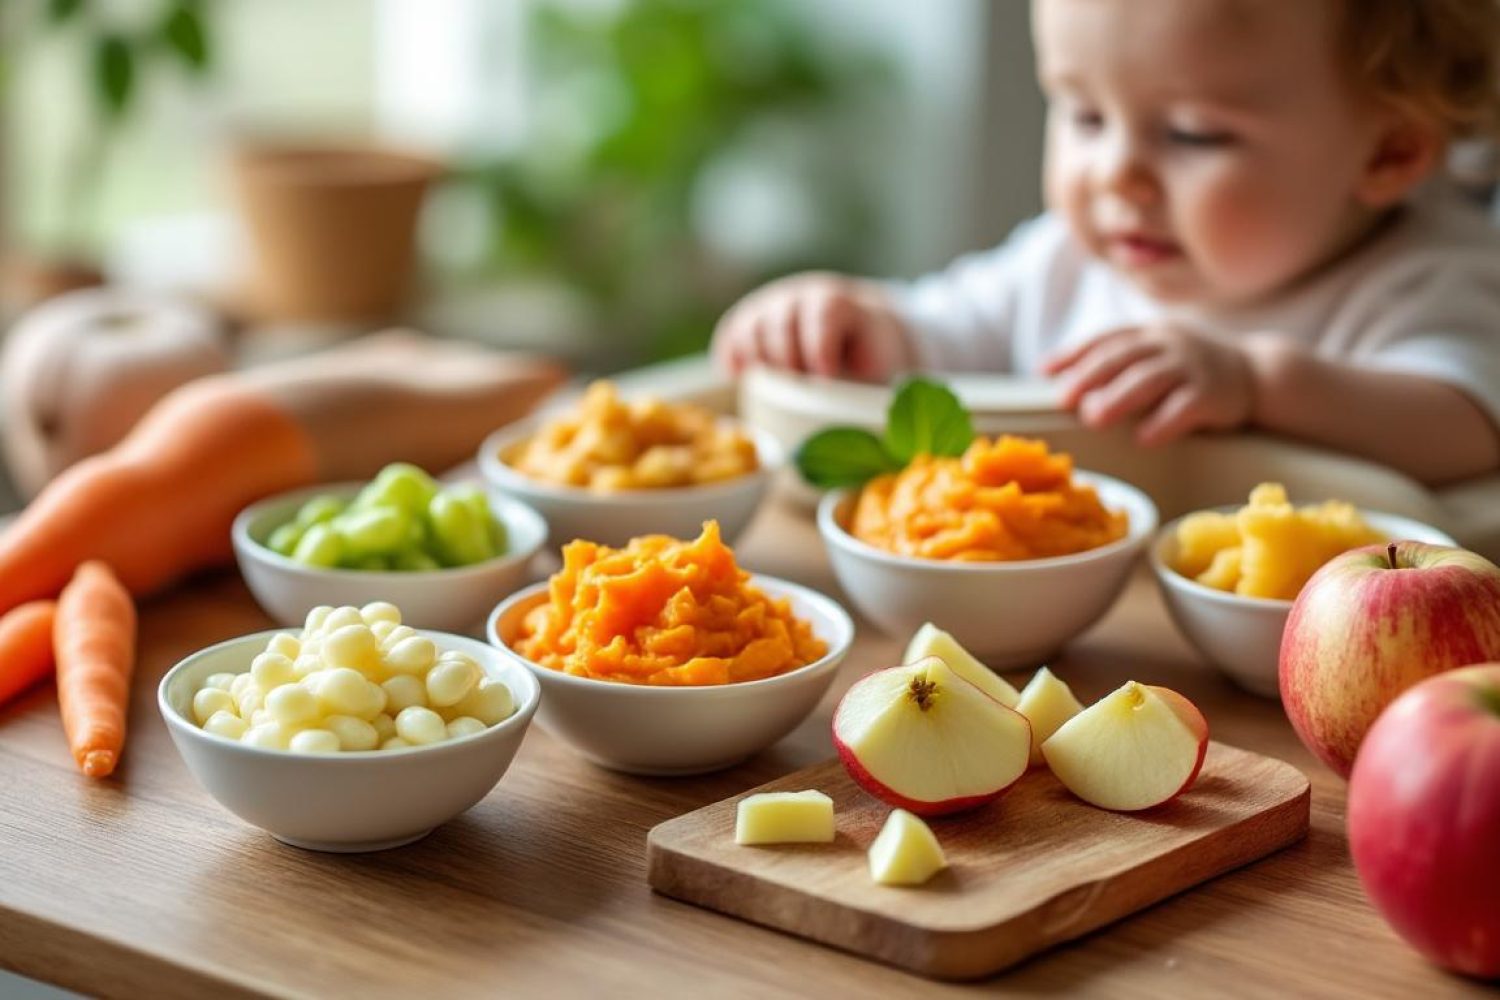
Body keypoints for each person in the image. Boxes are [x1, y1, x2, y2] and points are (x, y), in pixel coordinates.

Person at [710, 0, 1500, 485]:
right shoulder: (1064, 261)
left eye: (1193, 134)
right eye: (1086, 116)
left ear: (1389, 152)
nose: (1116, 176)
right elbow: (936, 337)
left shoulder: (1430, 279)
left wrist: (1258, 384)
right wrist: (852, 324)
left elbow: (1467, 427)